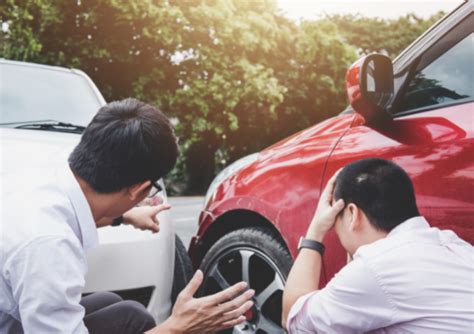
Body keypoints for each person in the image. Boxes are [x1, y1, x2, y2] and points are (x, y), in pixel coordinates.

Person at [0, 98, 254, 333]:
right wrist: (178, 327)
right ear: (139, 189)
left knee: (121, 308)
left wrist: (126, 215)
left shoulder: (41, 178)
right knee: (136, 320)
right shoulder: (49, 247)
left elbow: (72, 217)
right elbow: (50, 241)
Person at [282, 158, 473, 333]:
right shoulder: (454, 245)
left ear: (352, 214)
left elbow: (293, 317)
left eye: (335, 224)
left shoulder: (375, 268)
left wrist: (315, 231)